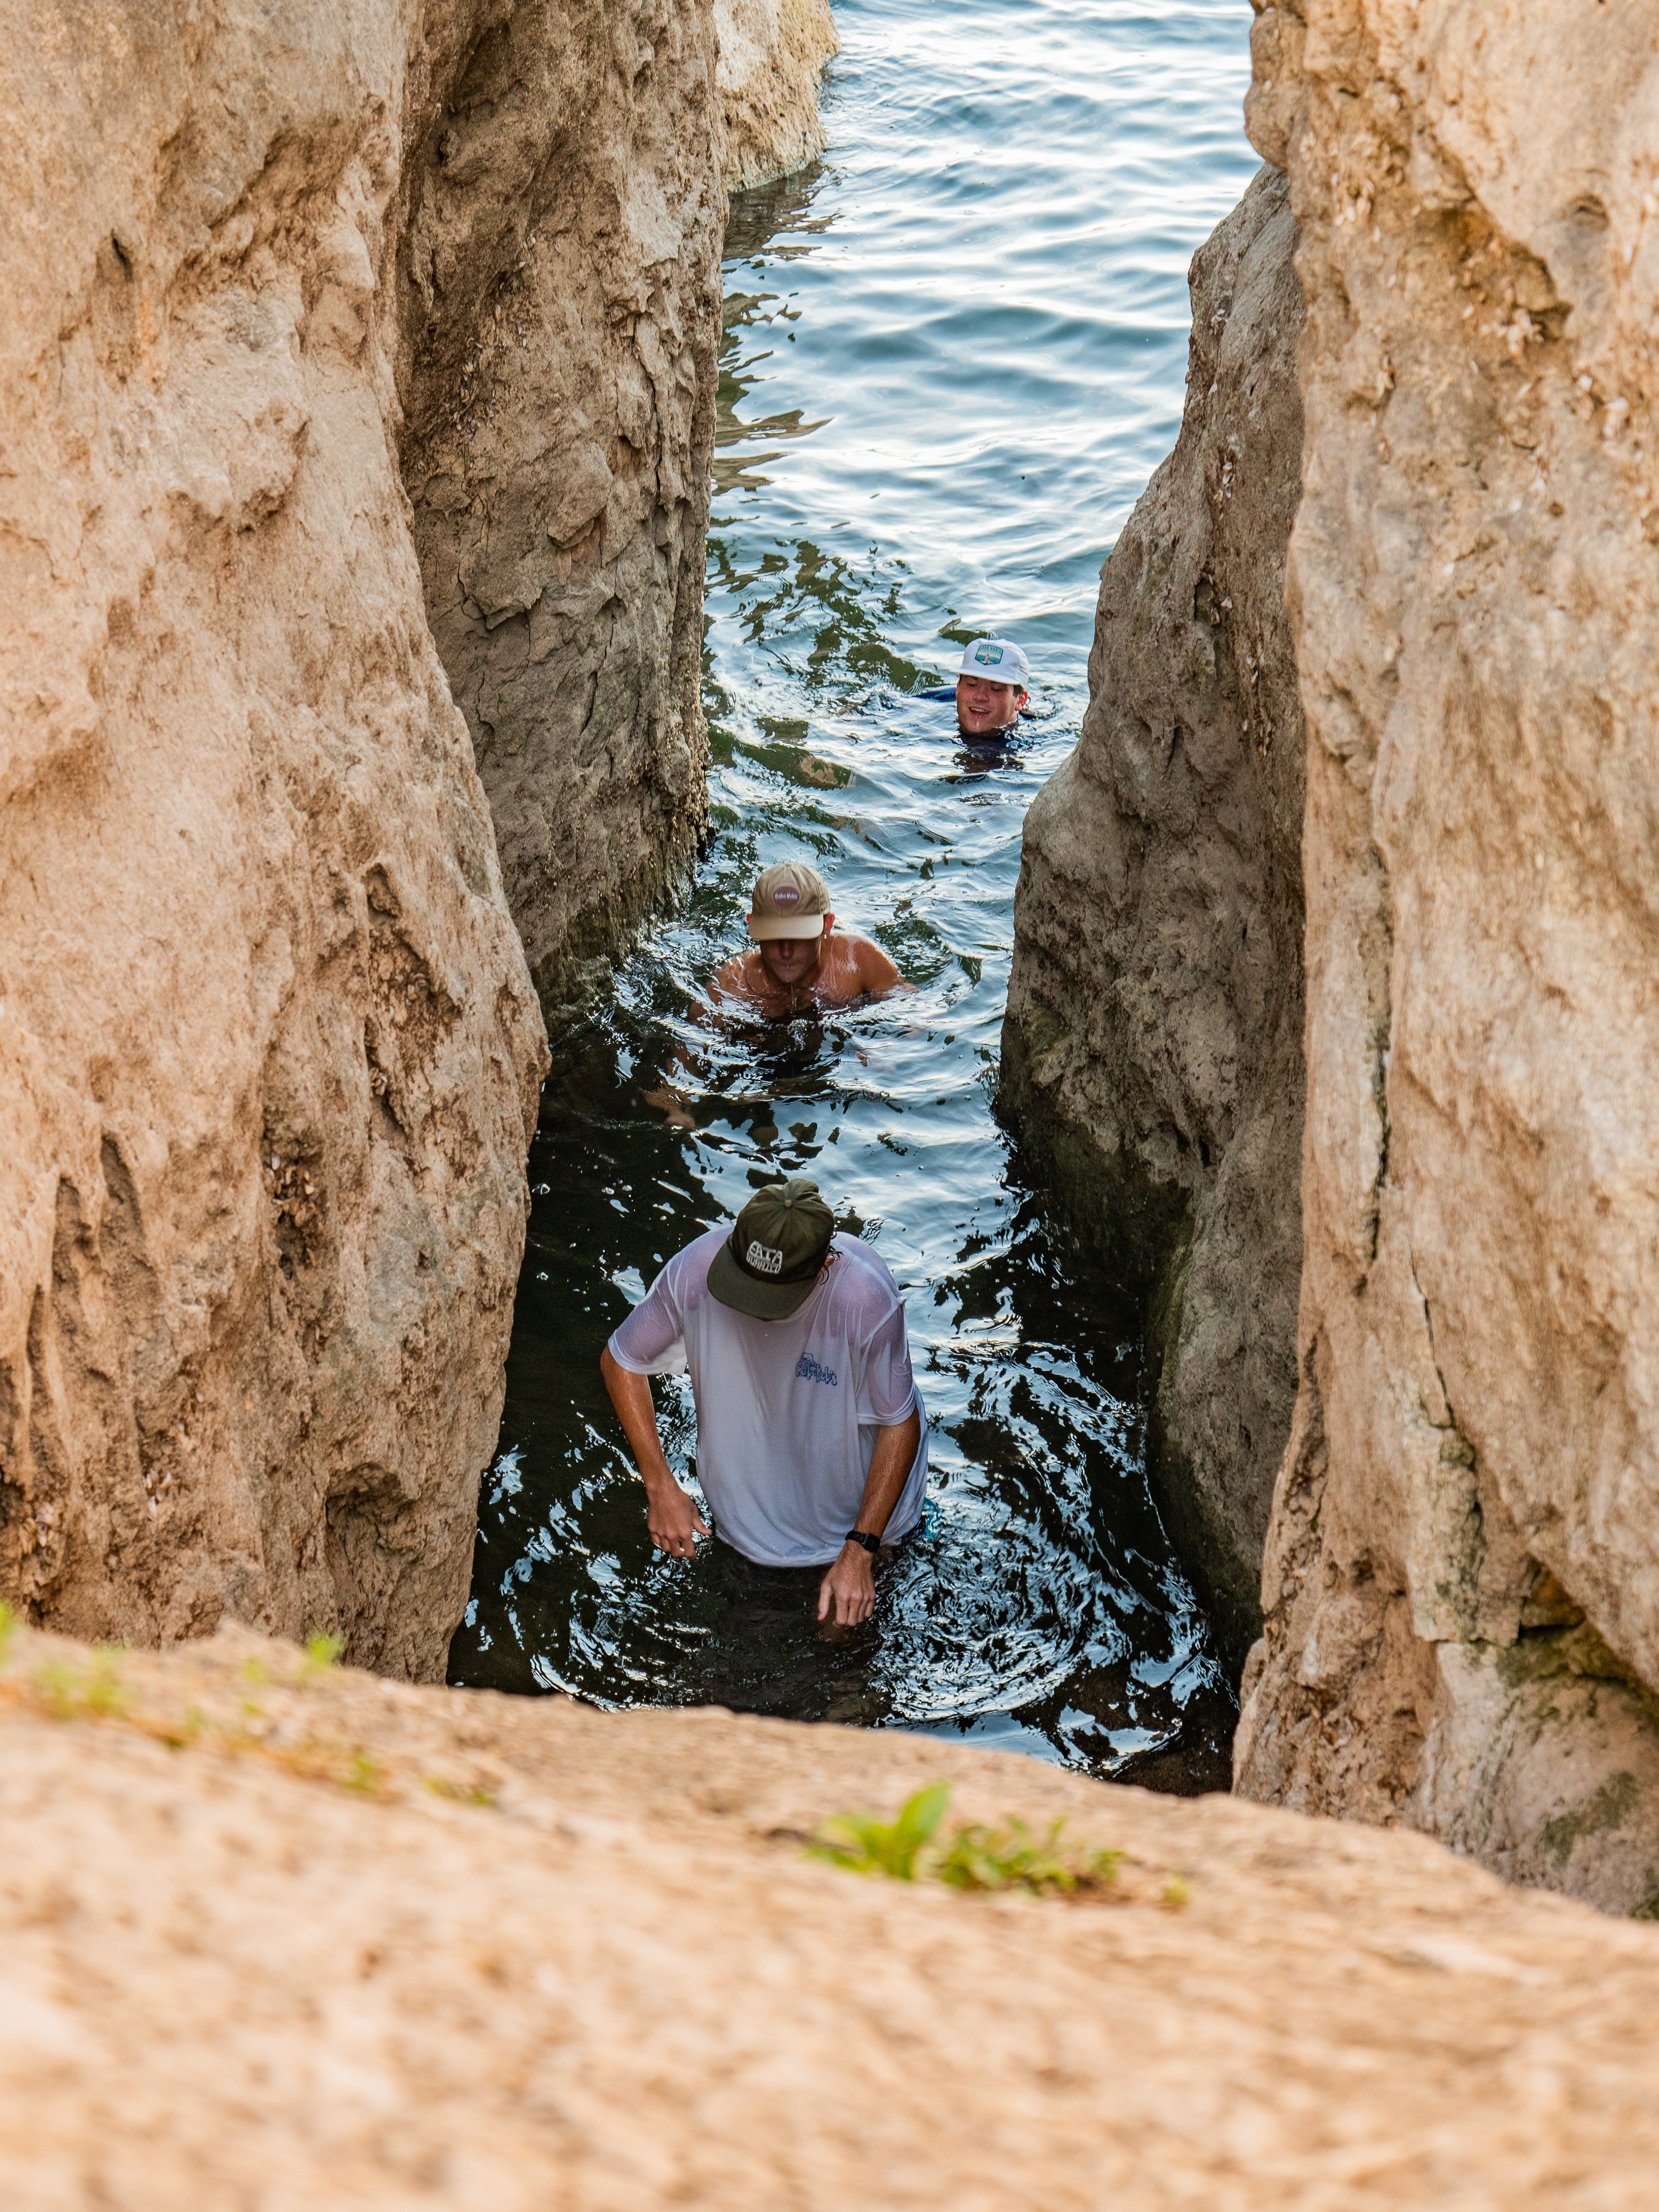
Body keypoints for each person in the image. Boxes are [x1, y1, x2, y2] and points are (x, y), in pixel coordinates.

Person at [599, 1177, 927, 1627]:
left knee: (846, 1656)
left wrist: (861, 1549)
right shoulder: (696, 1268)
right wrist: (660, 1485)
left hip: (856, 1518)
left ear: (825, 1265)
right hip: (746, 1521)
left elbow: (900, 1423)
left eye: (771, 1295)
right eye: (744, 1283)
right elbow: (621, 1360)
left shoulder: (866, 1300)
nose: (752, 1307)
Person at [708, 860, 912, 1019]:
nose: (786, 951)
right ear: (751, 924)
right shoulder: (731, 985)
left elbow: (912, 1020)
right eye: (774, 936)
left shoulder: (860, 961)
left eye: (799, 936)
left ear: (828, 925)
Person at [918, 636, 1033, 741]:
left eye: (996, 688)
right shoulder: (925, 706)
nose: (980, 696)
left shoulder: (1031, 743)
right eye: (972, 684)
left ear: (1021, 700)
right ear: (958, 689)